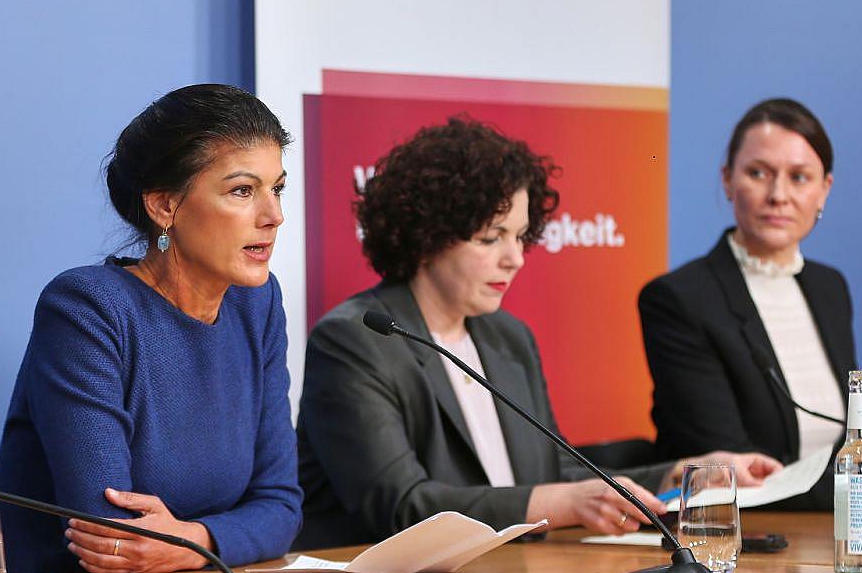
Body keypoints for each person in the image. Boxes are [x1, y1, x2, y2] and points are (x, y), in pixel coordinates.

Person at [296, 117, 779, 549]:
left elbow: (554, 474)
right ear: (426, 237)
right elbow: (402, 507)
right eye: (491, 238)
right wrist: (565, 504)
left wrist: (685, 476)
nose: (515, 259)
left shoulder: (508, 338)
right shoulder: (356, 342)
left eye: (520, 236)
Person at [0, 84, 302, 573]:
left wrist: (197, 541)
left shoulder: (257, 304)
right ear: (164, 207)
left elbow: (281, 508)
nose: (274, 216)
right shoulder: (87, 308)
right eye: (242, 191)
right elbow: (110, 532)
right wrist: (222, 537)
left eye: (277, 188)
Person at [639, 98, 850, 509]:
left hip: (828, 527)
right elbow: (736, 470)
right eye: (758, 173)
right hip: (734, 531)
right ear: (727, 180)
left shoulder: (830, 289)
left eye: (799, 177)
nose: (778, 195)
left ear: (824, 189)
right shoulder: (679, 299)